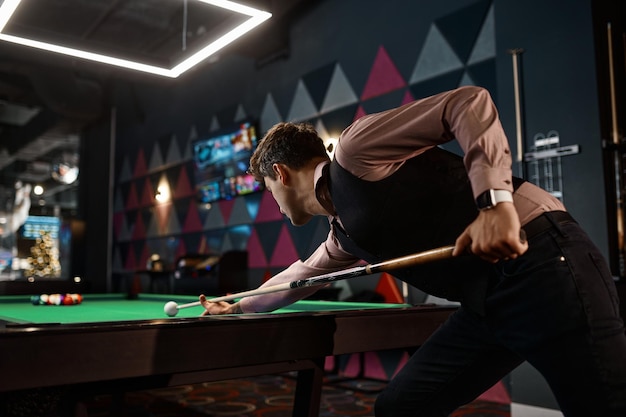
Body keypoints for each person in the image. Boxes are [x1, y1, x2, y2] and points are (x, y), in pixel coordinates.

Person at [200, 86, 626, 416]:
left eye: (268, 188)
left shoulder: (355, 150)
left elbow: (468, 103)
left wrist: (495, 204)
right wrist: (235, 305)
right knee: (402, 407)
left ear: (280, 172)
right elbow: (300, 277)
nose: (273, 203)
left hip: (545, 267)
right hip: (488, 304)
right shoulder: (344, 234)